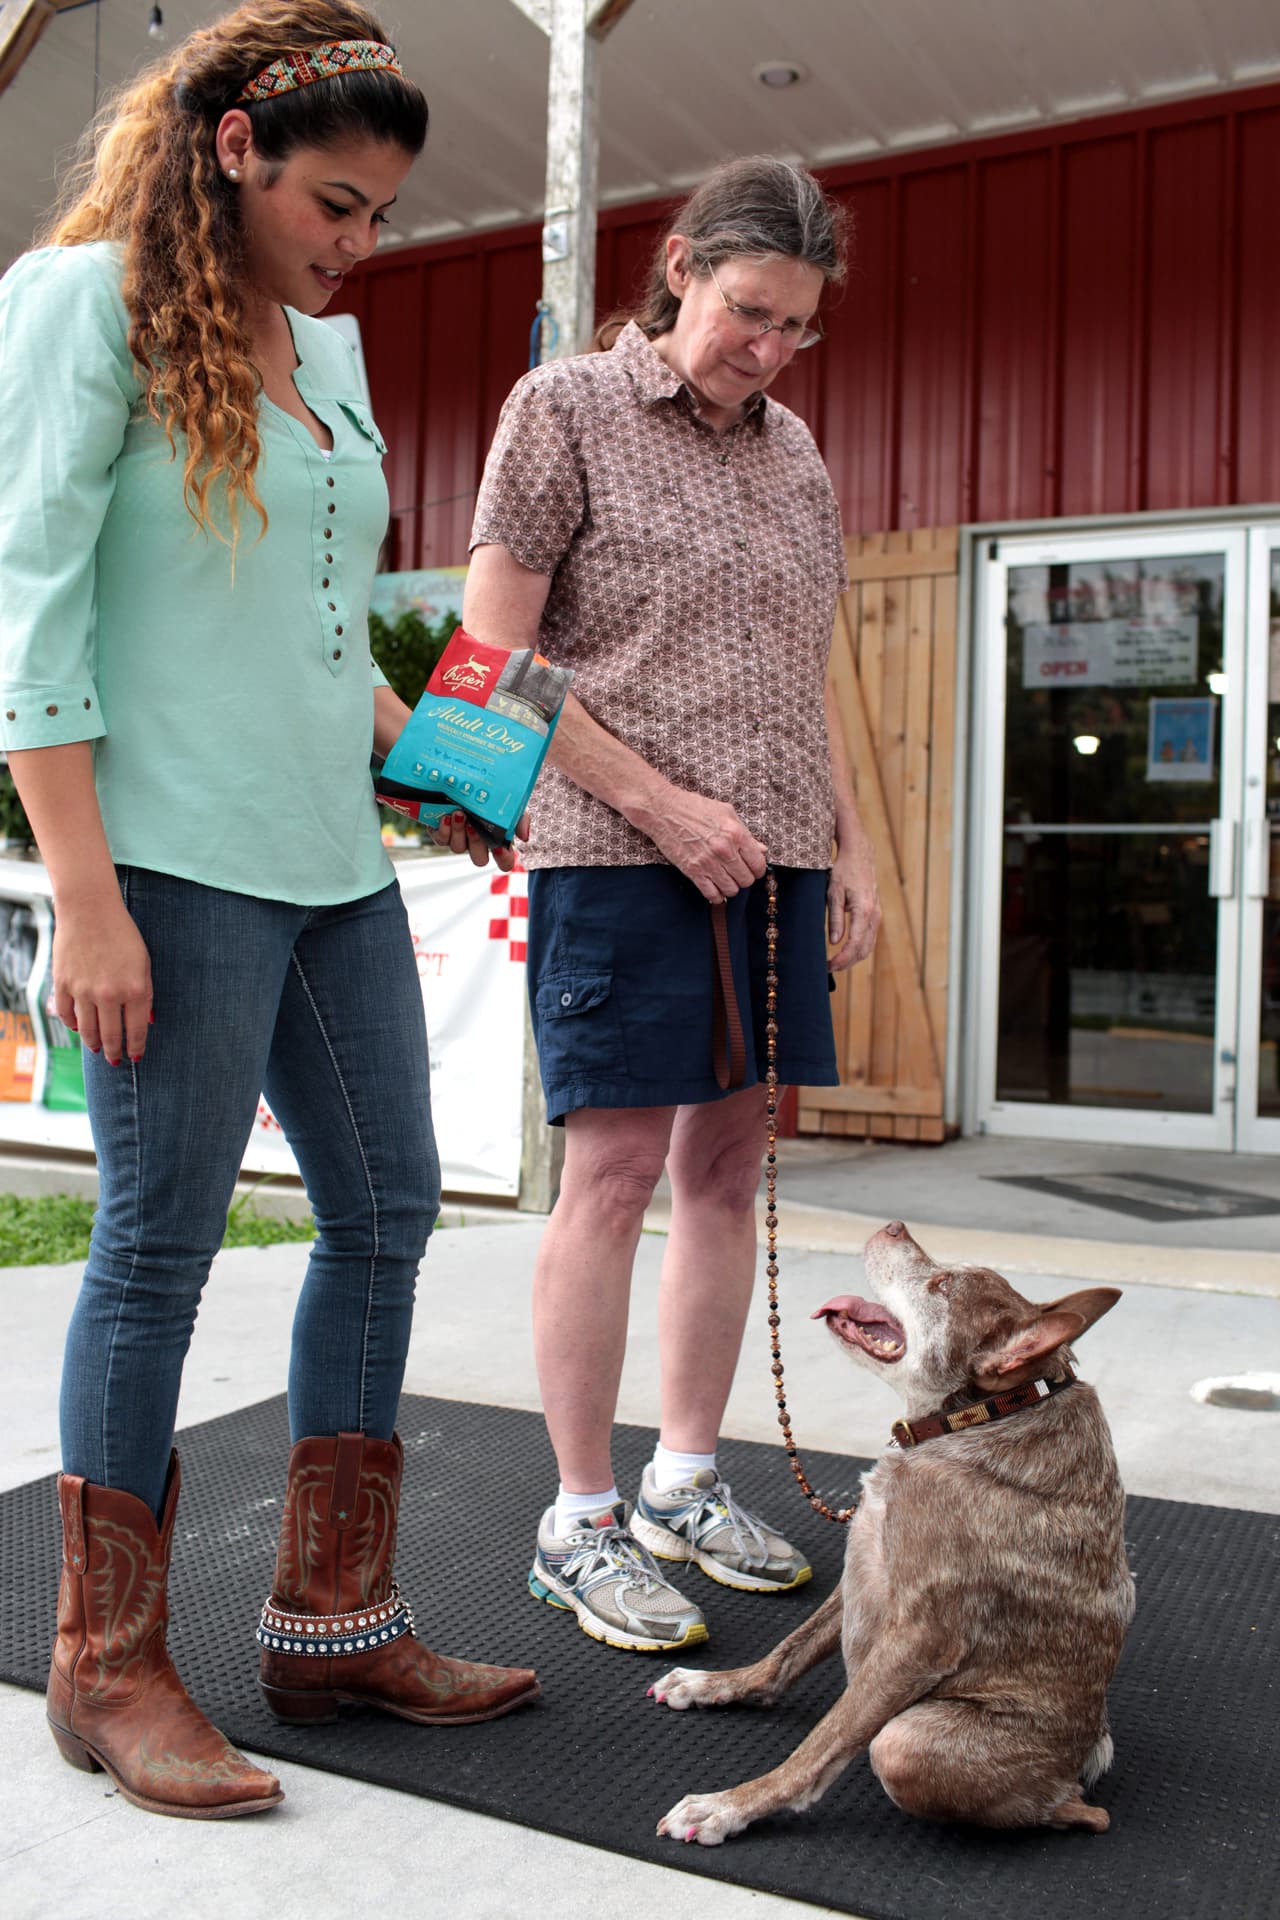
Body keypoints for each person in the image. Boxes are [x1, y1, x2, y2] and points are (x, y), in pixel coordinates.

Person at [0, 0, 538, 1822]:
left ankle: (332, 1622)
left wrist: (446, 768)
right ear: (230, 147)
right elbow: (32, 621)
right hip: (162, 864)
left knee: (387, 1211)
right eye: (334, 200)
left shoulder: (331, 344)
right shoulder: (75, 307)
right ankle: (107, 1667)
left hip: (330, 867)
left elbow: (321, 629)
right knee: (156, 1244)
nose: (357, 242)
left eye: (380, 214)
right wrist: (83, 893)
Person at [460, 155, 881, 1654]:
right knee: (619, 1176)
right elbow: (490, 657)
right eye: (749, 311)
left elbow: (799, 669)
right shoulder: (560, 410)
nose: (766, 348)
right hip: (616, 855)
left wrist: (853, 846)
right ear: (685, 266)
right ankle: (578, 1518)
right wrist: (658, 802)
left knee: (727, 1178)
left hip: (778, 865)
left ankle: (684, 1481)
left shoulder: (800, 453)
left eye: (797, 328)